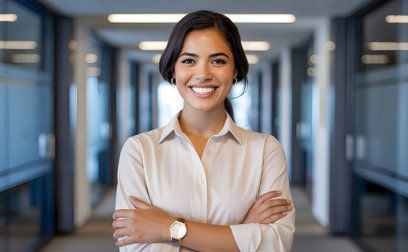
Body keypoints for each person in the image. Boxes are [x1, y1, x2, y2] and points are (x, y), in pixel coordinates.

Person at [112, 10, 295, 252]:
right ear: (173, 71)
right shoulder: (139, 151)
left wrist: (168, 229)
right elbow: (135, 248)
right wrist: (243, 232)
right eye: (189, 60)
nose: (203, 74)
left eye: (218, 61)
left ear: (235, 70)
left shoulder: (265, 150)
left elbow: (275, 245)